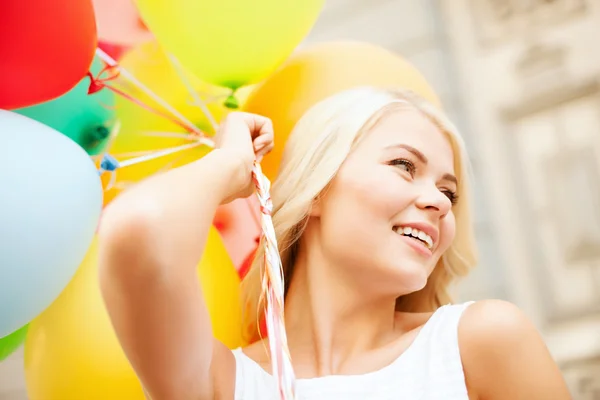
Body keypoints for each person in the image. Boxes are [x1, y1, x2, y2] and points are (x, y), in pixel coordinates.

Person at [98, 87, 572, 400]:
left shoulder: (477, 343)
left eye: (449, 192)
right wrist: (230, 166)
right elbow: (137, 233)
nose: (439, 203)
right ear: (317, 187)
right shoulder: (225, 383)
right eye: (404, 166)